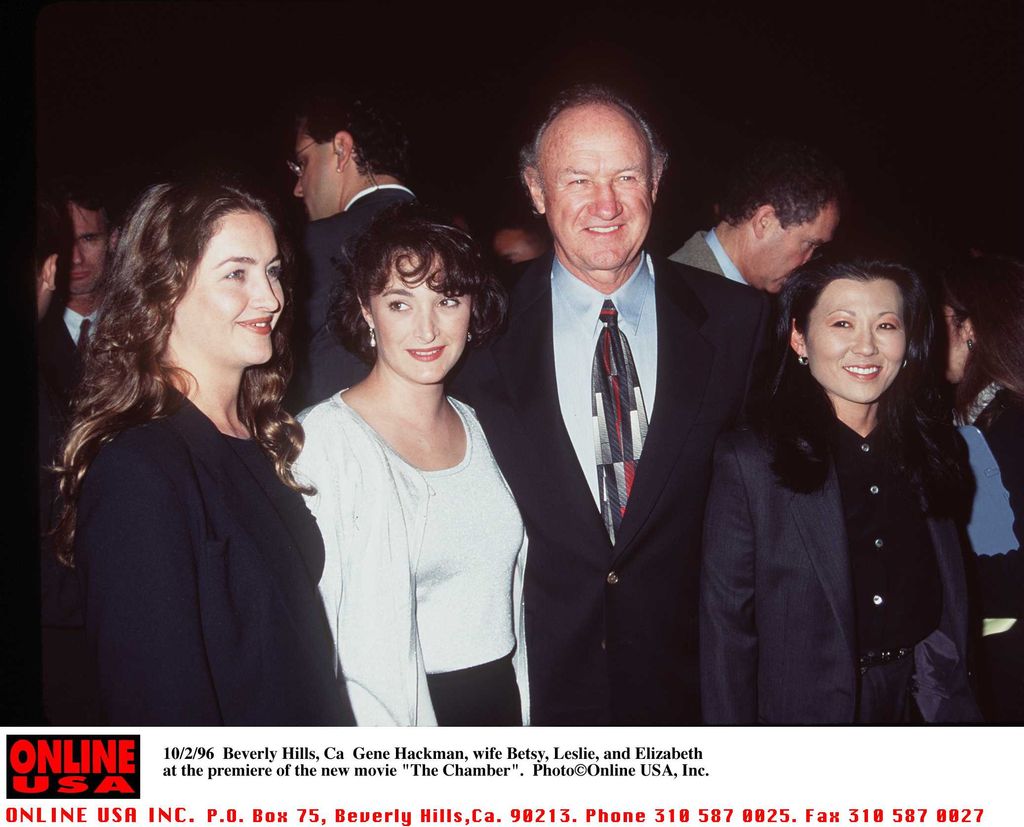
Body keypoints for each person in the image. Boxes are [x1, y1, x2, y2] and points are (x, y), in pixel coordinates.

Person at [452, 85, 768, 725]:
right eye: (576, 179)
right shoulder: (475, 333)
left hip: (692, 700)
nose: (605, 204)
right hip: (537, 705)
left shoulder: (742, 326)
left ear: (657, 181)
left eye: (626, 176)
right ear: (536, 191)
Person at [53, 181, 354, 726]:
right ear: (165, 287)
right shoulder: (138, 468)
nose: (271, 298)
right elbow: (159, 717)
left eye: (273, 270)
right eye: (236, 273)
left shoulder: (256, 434)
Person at [701, 260, 980, 723]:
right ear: (798, 339)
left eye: (886, 325)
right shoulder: (750, 462)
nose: (866, 346)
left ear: (908, 342)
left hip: (926, 699)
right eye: (842, 323)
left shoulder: (933, 446)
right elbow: (726, 630)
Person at [294, 202, 526, 726]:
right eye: (400, 304)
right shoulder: (324, 443)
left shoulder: (486, 427)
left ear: (473, 307)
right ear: (365, 310)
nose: (427, 328)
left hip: (505, 711)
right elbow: (317, 638)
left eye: (447, 299)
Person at [288, 92, 415, 408]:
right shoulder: (460, 241)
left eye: (302, 163)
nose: (298, 187)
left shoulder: (310, 249)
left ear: (341, 149)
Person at [942, 255, 1024, 722]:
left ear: (968, 326)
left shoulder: (989, 431)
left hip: (1006, 659)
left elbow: (1003, 571)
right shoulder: (999, 415)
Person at [670, 140, 843, 293]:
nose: (807, 262)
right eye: (810, 244)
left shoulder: (737, 296)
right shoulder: (674, 296)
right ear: (764, 222)